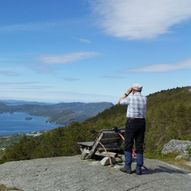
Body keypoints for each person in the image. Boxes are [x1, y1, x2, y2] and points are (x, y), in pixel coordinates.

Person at [118, 83, 147, 175]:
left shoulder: (130, 98)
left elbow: (119, 102)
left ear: (133, 90)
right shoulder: (145, 98)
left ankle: (127, 167)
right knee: (139, 144)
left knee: (128, 144)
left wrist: (127, 93)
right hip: (142, 122)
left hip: (131, 122)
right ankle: (139, 168)